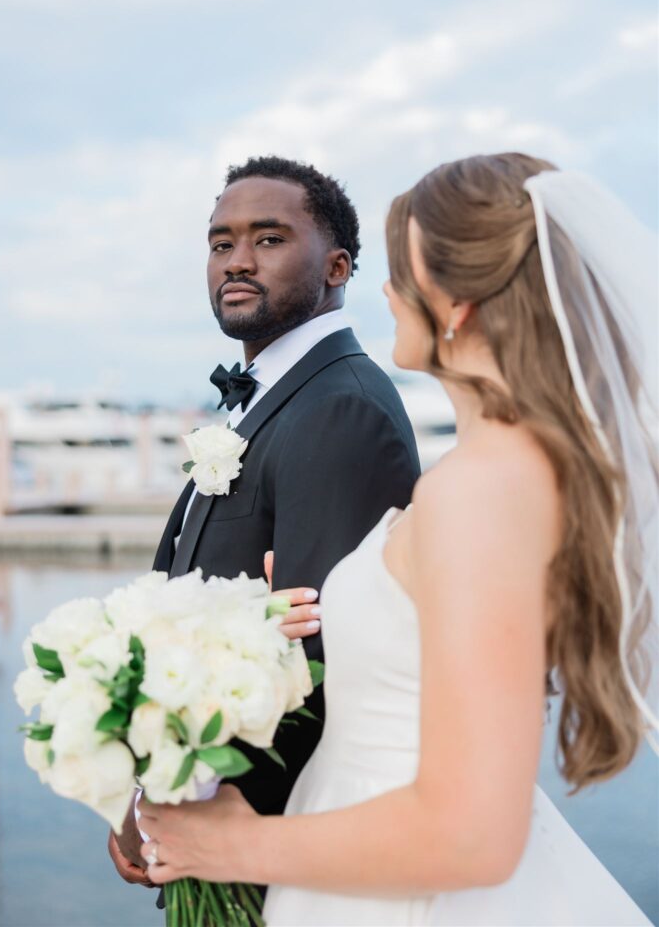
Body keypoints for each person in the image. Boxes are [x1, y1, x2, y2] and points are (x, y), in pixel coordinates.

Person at [138, 153, 657, 926]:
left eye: (403, 275)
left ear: (458, 302)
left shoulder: (476, 490)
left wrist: (229, 849)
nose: (383, 294)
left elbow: (474, 836)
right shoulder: (493, 472)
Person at [108, 155, 420, 888]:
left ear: (337, 267)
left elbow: (323, 671)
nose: (237, 261)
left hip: (268, 852)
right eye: (221, 244)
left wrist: (196, 824)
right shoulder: (266, 400)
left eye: (269, 239)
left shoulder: (339, 409)